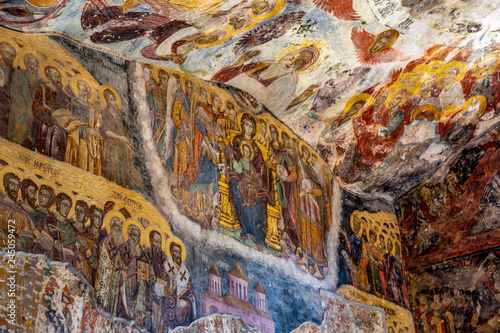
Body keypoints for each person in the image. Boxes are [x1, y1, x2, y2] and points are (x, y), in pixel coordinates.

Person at [212, 46, 319, 112]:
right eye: (297, 56)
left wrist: (301, 99)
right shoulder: (267, 64)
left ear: (303, 67)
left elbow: (278, 105)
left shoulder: (289, 81)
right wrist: (240, 61)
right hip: (226, 93)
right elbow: (236, 72)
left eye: (302, 61)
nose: (295, 60)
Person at [108, 224, 150, 328]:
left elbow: (146, 278)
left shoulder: (142, 255)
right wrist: (126, 275)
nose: (135, 239)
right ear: (129, 236)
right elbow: (114, 276)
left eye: (137, 236)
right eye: (133, 235)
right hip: (123, 298)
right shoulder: (121, 250)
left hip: (137, 299)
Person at [31, 62, 70, 161]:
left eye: (58, 75)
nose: (57, 78)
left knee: (60, 131)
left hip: (59, 124)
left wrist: (62, 119)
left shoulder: (64, 95)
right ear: (49, 76)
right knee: (53, 130)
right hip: (44, 122)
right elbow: (36, 108)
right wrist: (51, 114)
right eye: (54, 75)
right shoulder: (42, 88)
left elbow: (66, 111)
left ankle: (56, 160)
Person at [99, 87, 134, 188]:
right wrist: (121, 138)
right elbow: (106, 132)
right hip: (109, 143)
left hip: (120, 143)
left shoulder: (118, 115)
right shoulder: (105, 113)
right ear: (107, 101)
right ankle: (112, 184)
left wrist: (126, 144)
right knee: (115, 154)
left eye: (114, 99)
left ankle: (123, 185)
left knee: (128, 154)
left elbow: (122, 132)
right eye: (111, 99)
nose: (113, 101)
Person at [8, 50, 40, 145]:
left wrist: (33, 106)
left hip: (32, 107)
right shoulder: (19, 74)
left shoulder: (38, 82)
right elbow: (15, 91)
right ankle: (15, 139)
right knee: (23, 111)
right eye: (31, 64)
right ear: (26, 64)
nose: (34, 67)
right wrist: (27, 105)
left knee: (34, 114)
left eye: (35, 64)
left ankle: (27, 140)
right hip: (19, 104)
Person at [161, 240, 194, 328]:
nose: (178, 254)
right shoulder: (166, 268)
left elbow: (191, 293)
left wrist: (187, 303)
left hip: (182, 315)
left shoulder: (186, 272)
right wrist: (168, 289)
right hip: (169, 312)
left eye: (180, 252)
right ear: (171, 252)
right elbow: (157, 289)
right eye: (176, 251)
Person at [0, 171, 35, 251]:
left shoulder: (22, 213)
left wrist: (19, 245)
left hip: (14, 252)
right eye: (12, 184)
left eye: (17, 186)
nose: (15, 188)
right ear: (6, 185)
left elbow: (29, 238)